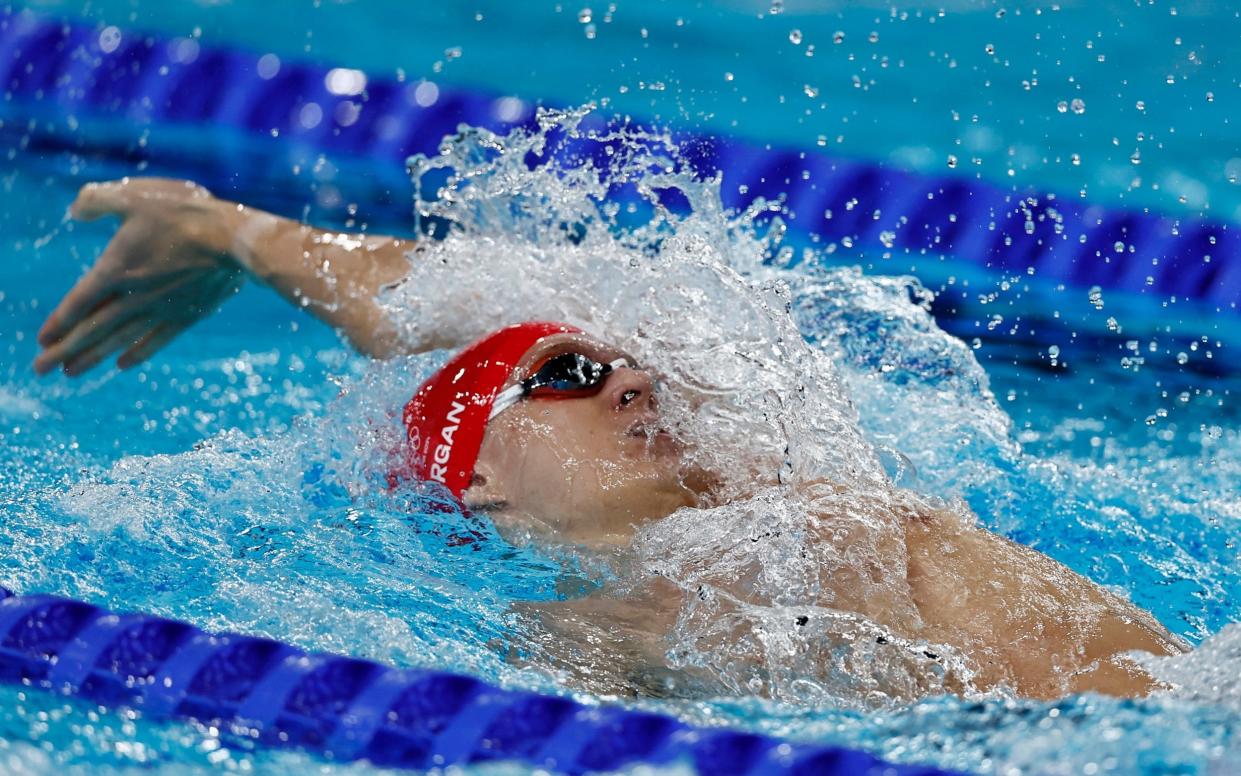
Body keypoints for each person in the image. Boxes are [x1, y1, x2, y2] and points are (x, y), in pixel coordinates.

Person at [34, 177, 1186, 702]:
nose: (630, 373)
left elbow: (448, 287)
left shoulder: (784, 507)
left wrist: (229, 228)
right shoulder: (626, 613)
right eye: (565, 375)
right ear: (478, 480)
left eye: (629, 361)